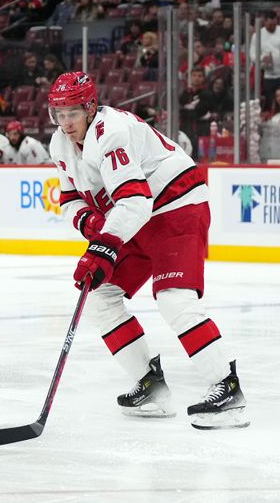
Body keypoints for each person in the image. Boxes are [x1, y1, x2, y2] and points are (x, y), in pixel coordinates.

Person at [47, 71, 248, 430]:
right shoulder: (59, 145)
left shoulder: (113, 132)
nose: (65, 123)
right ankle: (150, 384)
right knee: (100, 297)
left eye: (72, 114)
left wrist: (103, 247)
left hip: (176, 207)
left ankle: (226, 386)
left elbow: (135, 199)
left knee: (173, 298)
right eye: (59, 114)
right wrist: (92, 228)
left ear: (91, 107)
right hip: (134, 218)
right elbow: (68, 200)